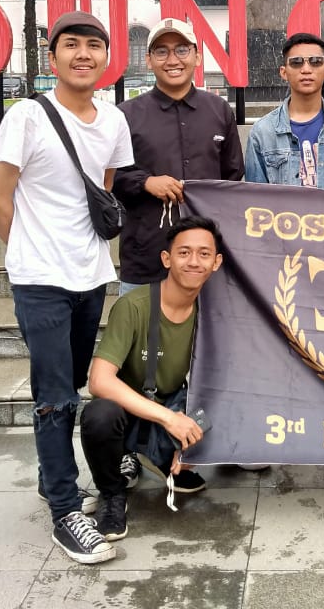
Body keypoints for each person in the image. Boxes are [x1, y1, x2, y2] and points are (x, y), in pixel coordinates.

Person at [0, 9, 132, 566]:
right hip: (40, 280)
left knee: (69, 383)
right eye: (71, 45)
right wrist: (28, 254)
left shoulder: (113, 121)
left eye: (93, 45)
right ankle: (67, 512)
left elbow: (102, 193)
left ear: (106, 57)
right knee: (54, 397)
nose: (83, 54)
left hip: (90, 276)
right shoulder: (26, 116)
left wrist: (71, 253)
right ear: (52, 57)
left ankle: (53, 480)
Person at [80, 216, 224, 549]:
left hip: (172, 402)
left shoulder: (212, 312)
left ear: (216, 262)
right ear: (166, 258)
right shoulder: (134, 306)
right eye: (184, 252)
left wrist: (197, 438)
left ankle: (163, 457)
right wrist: (169, 419)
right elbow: (99, 380)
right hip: (131, 411)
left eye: (204, 254)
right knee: (99, 415)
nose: (194, 261)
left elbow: (225, 381)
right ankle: (112, 494)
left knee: (222, 404)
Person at [115, 18, 244, 293]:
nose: (172, 60)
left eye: (182, 50)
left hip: (206, 262)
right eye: (162, 51)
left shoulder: (219, 110)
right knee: (143, 323)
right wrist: (145, 182)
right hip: (146, 257)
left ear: (197, 57)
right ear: (149, 60)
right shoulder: (126, 115)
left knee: (208, 324)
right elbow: (109, 176)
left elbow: (232, 178)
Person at [245, 32, 324, 190]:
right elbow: (256, 197)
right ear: (283, 72)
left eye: (316, 62)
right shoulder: (262, 132)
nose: (306, 69)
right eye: (296, 62)